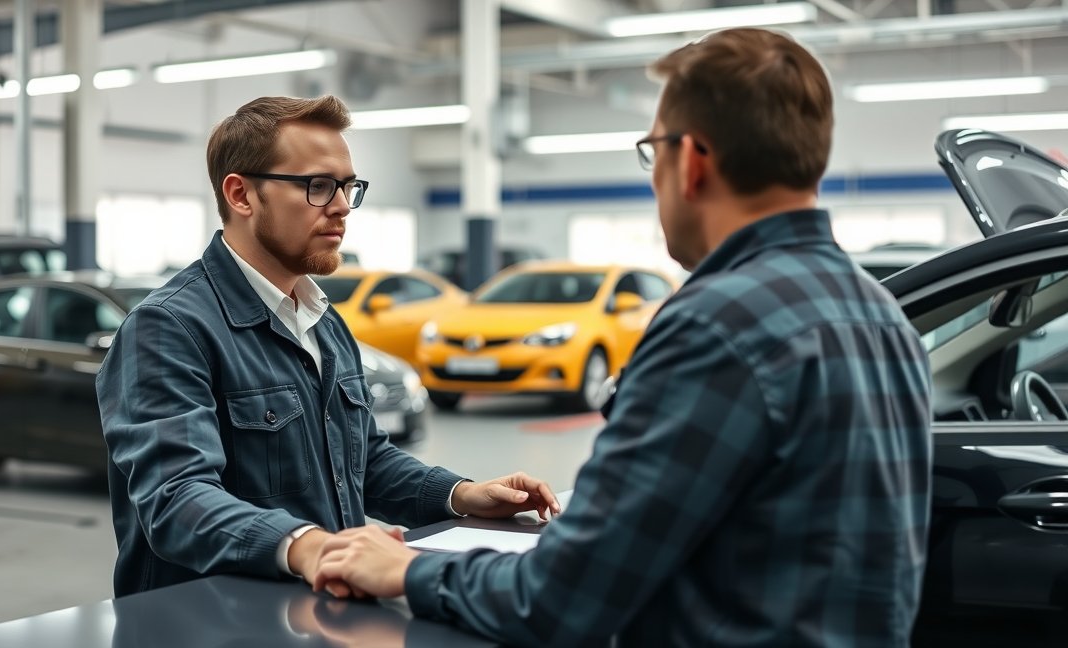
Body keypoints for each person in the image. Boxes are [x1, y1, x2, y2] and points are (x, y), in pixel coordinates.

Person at [313, 27, 933, 647]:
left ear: (691, 162)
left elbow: (563, 598)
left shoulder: (714, 326)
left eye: (652, 151)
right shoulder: (881, 314)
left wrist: (407, 569)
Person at [96, 95, 559, 597]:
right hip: (206, 619)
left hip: (319, 608)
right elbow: (176, 499)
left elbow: (364, 461)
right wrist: (310, 547)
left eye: (348, 187)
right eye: (317, 186)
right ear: (241, 195)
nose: (341, 207)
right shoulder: (168, 328)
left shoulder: (321, 319)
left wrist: (460, 494)